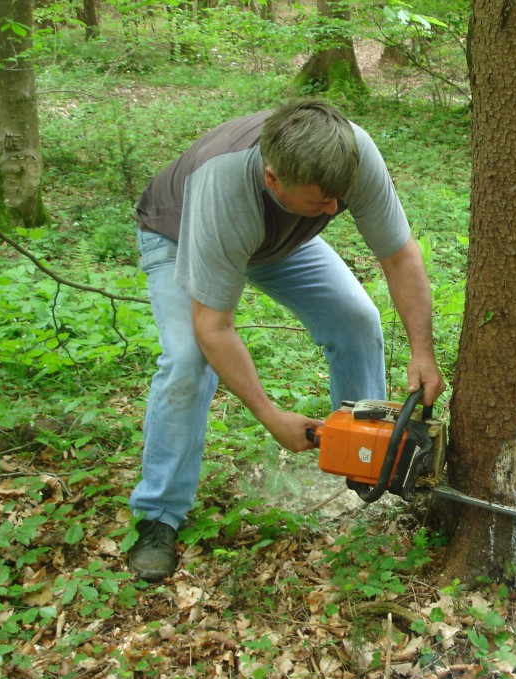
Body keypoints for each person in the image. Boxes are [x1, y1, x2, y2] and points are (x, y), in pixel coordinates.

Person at [127, 98, 446, 582]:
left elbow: (400, 256)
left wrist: (423, 351)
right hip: (179, 235)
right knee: (188, 360)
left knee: (357, 319)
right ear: (274, 179)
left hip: (280, 239)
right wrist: (271, 416)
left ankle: (367, 462)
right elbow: (213, 327)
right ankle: (159, 515)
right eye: (322, 202)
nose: (335, 210)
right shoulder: (224, 190)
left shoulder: (351, 154)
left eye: (339, 197)